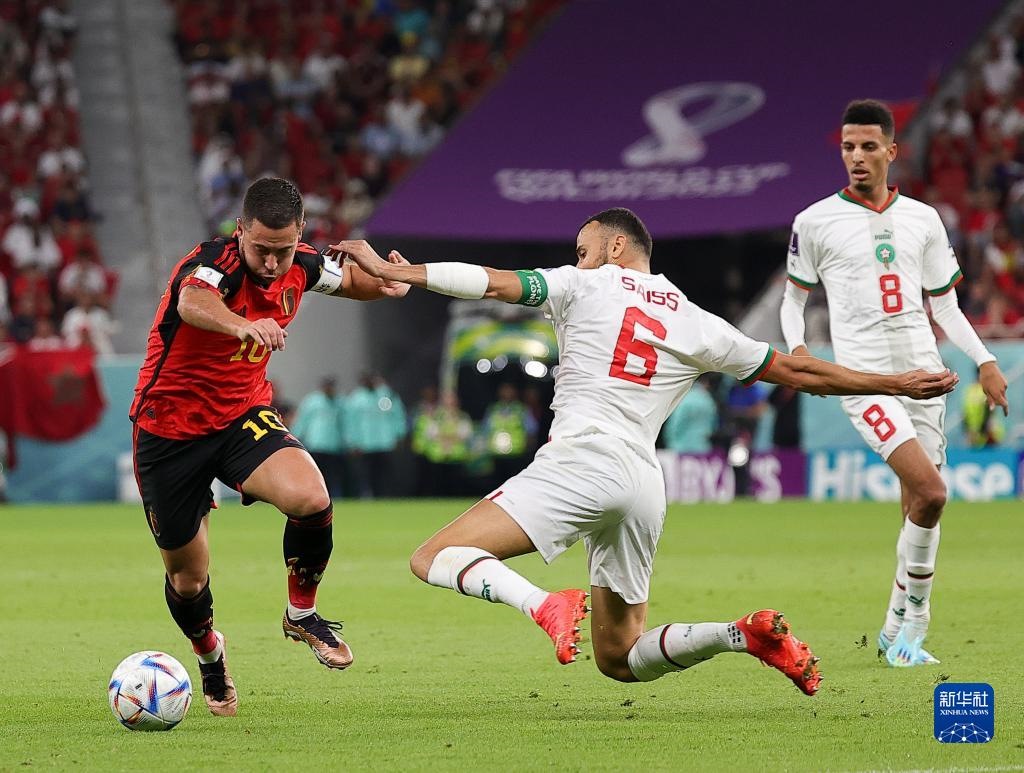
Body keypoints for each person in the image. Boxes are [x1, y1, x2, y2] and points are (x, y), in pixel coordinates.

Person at [334, 208, 956, 696]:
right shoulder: (696, 320)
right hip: (641, 480)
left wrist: (402, 272)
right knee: (620, 657)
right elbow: (799, 371)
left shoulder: (582, 284)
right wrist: (895, 383)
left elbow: (493, 283)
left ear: (614, 246)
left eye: (583, 249)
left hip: (581, 462)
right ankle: (742, 636)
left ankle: (545, 603)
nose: (576, 260)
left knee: (433, 556)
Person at [129, 177, 409, 717]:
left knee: (311, 497)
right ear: (240, 231)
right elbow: (193, 301)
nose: (273, 263)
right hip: (169, 430)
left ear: (300, 233)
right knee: (188, 579)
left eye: (283, 249)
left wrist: (388, 282)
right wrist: (244, 326)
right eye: (261, 249)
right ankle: (210, 655)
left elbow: (349, 281)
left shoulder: (300, 263)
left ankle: (301, 614)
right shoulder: (213, 263)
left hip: (240, 416)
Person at [780, 100, 1009, 668]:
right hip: (864, 381)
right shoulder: (814, 221)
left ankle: (891, 632)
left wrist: (984, 360)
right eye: (847, 147)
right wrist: (801, 351)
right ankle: (916, 626)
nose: (856, 156)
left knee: (917, 505)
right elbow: (793, 301)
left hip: (925, 375)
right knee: (932, 492)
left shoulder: (923, 219)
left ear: (891, 150)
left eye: (867, 146)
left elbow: (946, 306)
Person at [343, 372, 407, 498]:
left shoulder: (387, 395)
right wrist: (352, 442)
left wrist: (400, 434)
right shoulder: (356, 398)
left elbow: (398, 415)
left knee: (386, 472)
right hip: (366, 444)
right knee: (367, 473)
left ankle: (386, 495)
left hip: (385, 442)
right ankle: (368, 495)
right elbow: (351, 422)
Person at [290, 376, 347, 498]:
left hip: (334, 445)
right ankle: (316, 497)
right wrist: (295, 437)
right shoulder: (312, 401)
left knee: (333, 476)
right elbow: (302, 421)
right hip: (316, 444)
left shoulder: (340, 402)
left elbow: (345, 424)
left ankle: (334, 498)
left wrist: (347, 441)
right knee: (316, 475)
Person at [662, 375, 717, 453]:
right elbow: (713, 426)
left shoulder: (685, 397)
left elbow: (675, 423)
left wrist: (669, 442)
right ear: (706, 382)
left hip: (681, 449)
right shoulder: (709, 400)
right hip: (702, 449)